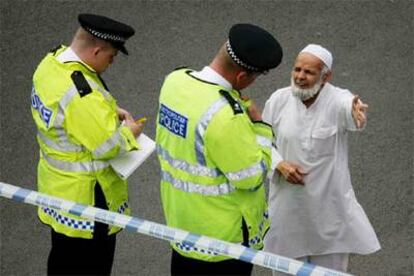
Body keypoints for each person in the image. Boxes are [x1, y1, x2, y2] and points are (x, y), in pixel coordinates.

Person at [155, 24, 283, 275]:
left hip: (182, 226)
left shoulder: (175, 81)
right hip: (224, 242)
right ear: (242, 78)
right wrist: (260, 128)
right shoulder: (226, 116)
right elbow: (251, 177)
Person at [30, 13, 145, 275]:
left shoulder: (51, 63)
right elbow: (108, 146)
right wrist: (131, 132)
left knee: (61, 260)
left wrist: (106, 112)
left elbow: (68, 114)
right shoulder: (80, 90)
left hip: (58, 188)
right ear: (95, 51)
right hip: (88, 201)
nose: (111, 63)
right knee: (91, 267)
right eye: (110, 57)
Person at [262, 44, 381, 274]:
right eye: (297, 70)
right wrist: (279, 164)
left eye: (308, 72)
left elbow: (350, 107)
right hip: (288, 213)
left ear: (326, 77)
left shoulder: (338, 100)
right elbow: (261, 141)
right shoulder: (278, 100)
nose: (300, 77)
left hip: (329, 216)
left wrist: (355, 110)